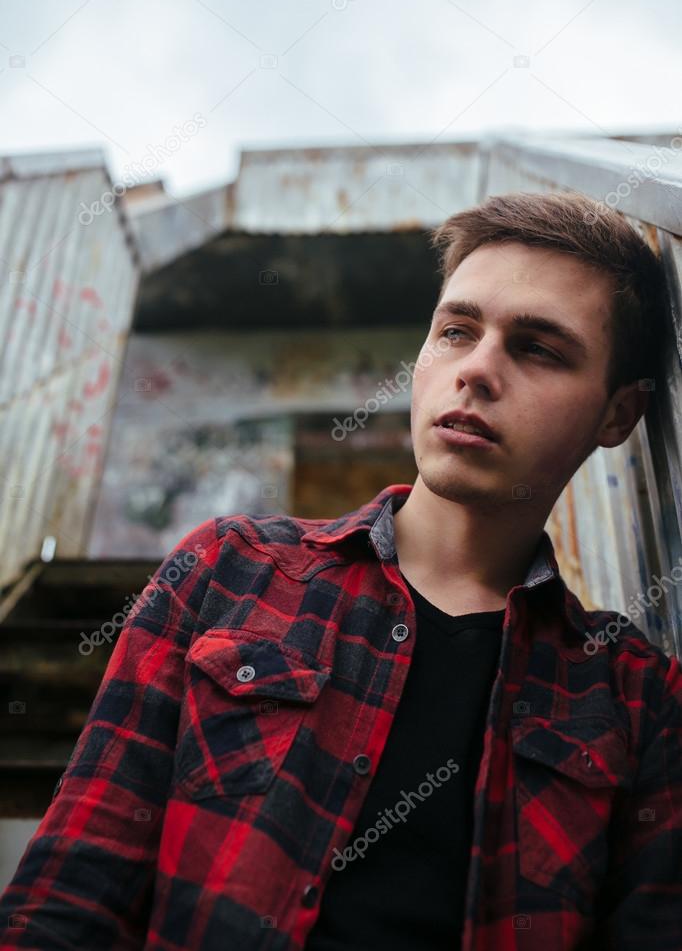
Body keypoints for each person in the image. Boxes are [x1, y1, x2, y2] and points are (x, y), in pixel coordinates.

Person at [1, 190, 680, 951]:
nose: (477, 371)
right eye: (456, 330)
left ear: (619, 415)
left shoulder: (636, 698)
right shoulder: (226, 573)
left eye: (539, 348)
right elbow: (67, 899)